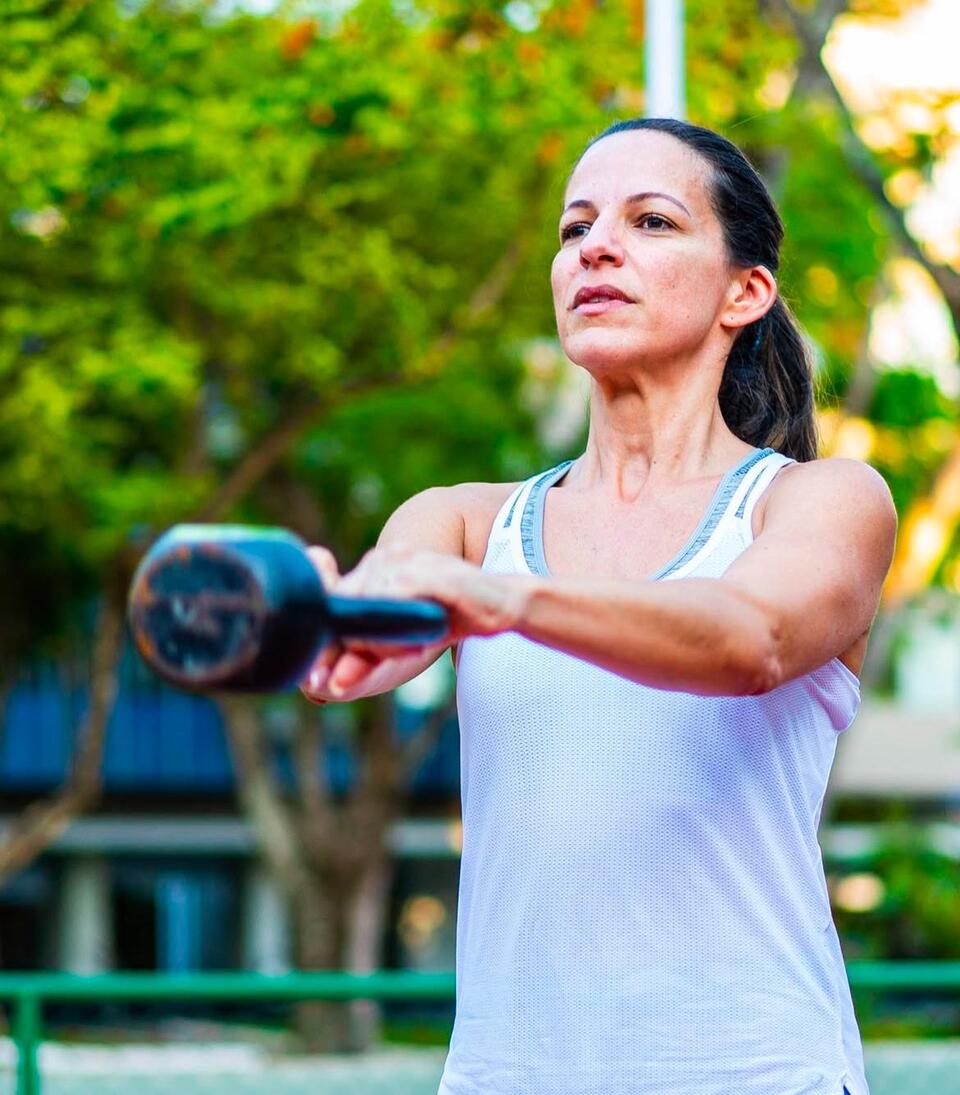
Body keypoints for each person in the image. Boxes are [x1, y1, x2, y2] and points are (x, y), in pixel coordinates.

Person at [300, 118, 896, 1095]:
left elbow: (749, 638)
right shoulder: (459, 521)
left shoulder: (819, 501)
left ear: (745, 291)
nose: (596, 248)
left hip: (756, 1075)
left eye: (651, 221)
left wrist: (498, 597)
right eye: (575, 229)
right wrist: (315, 615)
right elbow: (386, 628)